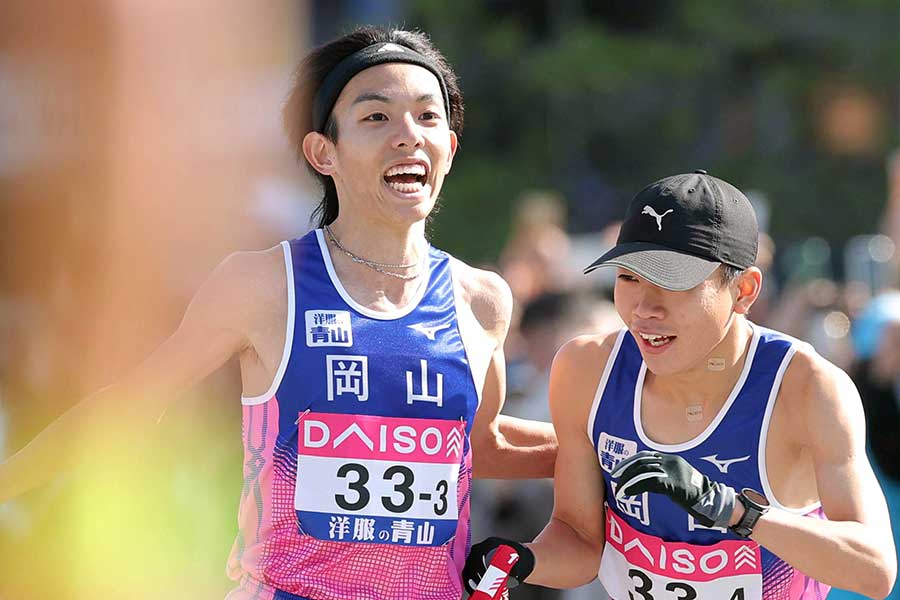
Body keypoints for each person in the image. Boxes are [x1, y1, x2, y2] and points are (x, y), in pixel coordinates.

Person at [0, 26, 557, 600]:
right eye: (376, 118)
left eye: (427, 117)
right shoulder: (264, 284)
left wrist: (628, 450)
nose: (408, 137)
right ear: (324, 152)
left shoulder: (481, 300)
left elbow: (482, 447)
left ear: (450, 149)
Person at [464, 171, 897, 599]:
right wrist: (525, 559)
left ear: (744, 290)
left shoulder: (807, 387)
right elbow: (579, 538)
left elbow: (875, 570)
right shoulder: (586, 369)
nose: (644, 309)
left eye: (673, 281)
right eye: (629, 277)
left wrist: (736, 513)